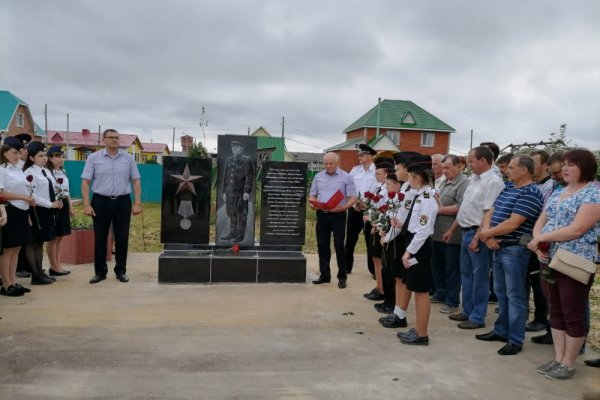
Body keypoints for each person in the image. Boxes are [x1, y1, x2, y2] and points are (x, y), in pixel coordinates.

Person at [527, 148, 600, 380]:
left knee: (573, 312)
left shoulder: (594, 194)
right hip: (548, 258)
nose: (565, 169)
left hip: (573, 261)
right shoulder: (558, 191)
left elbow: (577, 229)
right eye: (565, 164)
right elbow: (542, 219)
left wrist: (542, 238)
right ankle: (558, 358)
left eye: (571, 165)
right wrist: (537, 238)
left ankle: (569, 363)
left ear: (585, 167)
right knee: (555, 311)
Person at [475, 155, 543, 356]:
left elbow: (514, 223)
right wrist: (487, 235)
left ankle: (515, 339)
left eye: (512, 167)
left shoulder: (531, 192)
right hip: (498, 245)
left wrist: (486, 234)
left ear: (524, 170)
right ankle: (501, 330)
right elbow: (491, 211)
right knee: (501, 291)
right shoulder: (508, 188)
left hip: (514, 249)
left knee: (515, 295)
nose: (507, 170)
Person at [445, 146, 505, 329]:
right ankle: (467, 310)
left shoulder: (493, 182)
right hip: (465, 230)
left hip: (477, 234)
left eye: (471, 161)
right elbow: (465, 207)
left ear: (483, 161)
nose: (468, 164)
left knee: (480, 277)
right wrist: (453, 228)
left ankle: (478, 316)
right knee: (466, 275)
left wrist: (477, 237)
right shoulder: (474, 179)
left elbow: (489, 212)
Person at [81, 129, 142, 284]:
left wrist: (137, 203)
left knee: (122, 237)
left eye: (117, 137)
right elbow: (86, 182)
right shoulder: (94, 158)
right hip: (101, 201)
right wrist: (87, 204)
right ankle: (100, 272)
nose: (115, 140)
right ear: (104, 140)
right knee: (100, 237)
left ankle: (121, 271)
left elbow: (135, 181)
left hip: (122, 201)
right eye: (111, 137)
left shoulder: (128, 159)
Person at [393, 154, 438, 345]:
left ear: (417, 179)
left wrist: (409, 251)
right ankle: (419, 330)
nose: (408, 181)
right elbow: (412, 222)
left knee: (421, 291)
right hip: (414, 243)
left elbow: (423, 230)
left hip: (419, 247)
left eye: (410, 177)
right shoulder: (419, 195)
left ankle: (421, 334)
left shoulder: (428, 199)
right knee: (415, 287)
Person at [309, 152, 357, 288]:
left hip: (338, 215)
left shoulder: (346, 177)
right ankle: (325, 275)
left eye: (331, 163)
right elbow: (312, 194)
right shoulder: (318, 176)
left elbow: (353, 196)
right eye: (326, 163)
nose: (328, 166)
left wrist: (344, 208)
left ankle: (342, 276)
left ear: (337, 163)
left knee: (339, 245)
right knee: (322, 245)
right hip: (322, 214)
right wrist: (313, 203)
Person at [431, 154, 469, 314]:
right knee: (437, 266)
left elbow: (462, 207)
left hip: (452, 234)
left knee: (452, 269)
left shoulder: (464, 183)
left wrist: (440, 209)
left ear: (458, 166)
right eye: (443, 167)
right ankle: (440, 293)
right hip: (437, 232)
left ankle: (452, 300)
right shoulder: (445, 182)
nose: (443, 170)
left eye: (447, 167)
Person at [22, 142, 64, 285]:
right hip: (36, 210)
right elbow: (32, 195)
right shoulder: (29, 173)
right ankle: (35, 275)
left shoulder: (45, 171)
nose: (44, 158)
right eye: (40, 156)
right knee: (32, 242)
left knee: (40, 242)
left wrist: (57, 201)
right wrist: (50, 204)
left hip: (46, 210)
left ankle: (40, 272)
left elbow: (52, 188)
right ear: (32, 158)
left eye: (45, 155)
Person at [0, 137, 35, 296]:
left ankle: (13, 281)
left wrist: (27, 209)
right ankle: (6, 284)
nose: (17, 155)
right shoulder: (2, 169)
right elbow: (2, 194)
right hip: (10, 210)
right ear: (4, 152)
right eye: (14, 153)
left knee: (16, 249)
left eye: (19, 153)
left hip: (22, 211)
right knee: (8, 250)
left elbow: (25, 191)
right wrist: (23, 198)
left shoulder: (17, 169)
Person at [525, 150, 554, 333]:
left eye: (534, 163)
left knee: (540, 282)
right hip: (531, 239)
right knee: (533, 279)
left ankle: (541, 318)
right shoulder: (535, 185)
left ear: (546, 165)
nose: (531, 167)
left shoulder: (549, 186)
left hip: (543, 241)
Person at [363, 155, 394, 301]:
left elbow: (386, 209)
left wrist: (375, 221)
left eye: (378, 173)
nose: (375, 176)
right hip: (375, 225)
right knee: (375, 258)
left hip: (381, 226)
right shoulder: (380, 187)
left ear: (387, 174)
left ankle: (382, 289)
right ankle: (379, 287)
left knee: (380, 260)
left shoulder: (388, 190)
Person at [345, 143, 377, 275]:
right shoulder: (355, 170)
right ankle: (347, 267)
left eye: (362, 155)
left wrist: (367, 204)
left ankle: (373, 270)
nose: (359, 157)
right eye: (359, 155)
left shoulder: (377, 171)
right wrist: (357, 202)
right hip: (355, 209)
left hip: (370, 211)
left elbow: (378, 190)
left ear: (370, 157)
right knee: (350, 239)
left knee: (370, 241)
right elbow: (349, 187)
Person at [46, 146, 74, 276]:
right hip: (54, 205)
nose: (60, 159)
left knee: (61, 236)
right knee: (53, 237)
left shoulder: (63, 172)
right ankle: (53, 266)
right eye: (57, 156)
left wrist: (71, 207)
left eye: (62, 156)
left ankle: (58, 264)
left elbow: (67, 192)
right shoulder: (47, 173)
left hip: (64, 205)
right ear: (50, 158)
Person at [219, 139, 254, 243]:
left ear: (241, 148)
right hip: (230, 192)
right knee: (231, 213)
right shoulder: (228, 160)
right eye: (233, 147)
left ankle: (241, 235)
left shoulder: (246, 160)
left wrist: (247, 191)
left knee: (241, 214)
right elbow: (225, 177)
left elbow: (249, 177)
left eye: (237, 147)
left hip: (241, 192)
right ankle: (233, 232)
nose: (235, 149)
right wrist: (224, 192)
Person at [15, 133, 32, 279]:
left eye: (25, 148)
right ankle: (19, 268)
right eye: (22, 148)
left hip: (24, 207)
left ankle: (25, 265)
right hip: (13, 206)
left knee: (23, 239)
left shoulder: (23, 166)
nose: (25, 151)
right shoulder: (13, 167)